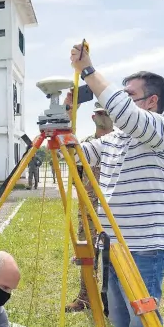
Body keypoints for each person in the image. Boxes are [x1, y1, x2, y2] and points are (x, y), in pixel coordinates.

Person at [69, 45, 164, 327]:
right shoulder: (117, 141)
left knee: (143, 323)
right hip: (114, 248)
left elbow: (121, 110)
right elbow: (81, 154)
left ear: (151, 101)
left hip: (144, 249)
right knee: (120, 317)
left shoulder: (162, 131)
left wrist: (89, 72)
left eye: (130, 95)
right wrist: (60, 125)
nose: (121, 104)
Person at [66, 102, 113, 312]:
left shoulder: (118, 144)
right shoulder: (85, 144)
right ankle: (85, 298)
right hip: (87, 210)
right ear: (93, 117)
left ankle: (113, 301)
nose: (102, 115)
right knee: (86, 254)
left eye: (106, 112)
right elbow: (75, 172)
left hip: (112, 210)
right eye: (99, 112)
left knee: (114, 256)